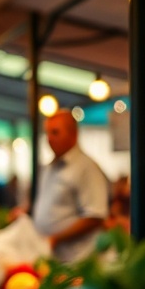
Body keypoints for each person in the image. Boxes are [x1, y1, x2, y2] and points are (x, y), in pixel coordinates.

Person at [26, 110, 109, 263]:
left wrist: (56, 238)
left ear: (74, 135)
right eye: (48, 133)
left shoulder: (86, 168)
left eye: (55, 132)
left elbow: (95, 216)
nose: (49, 139)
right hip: (54, 259)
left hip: (78, 261)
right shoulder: (50, 167)